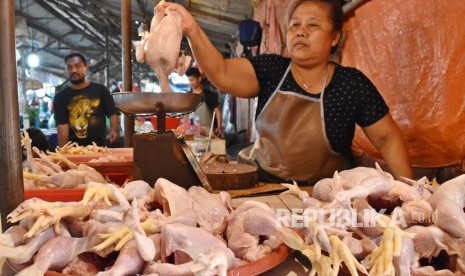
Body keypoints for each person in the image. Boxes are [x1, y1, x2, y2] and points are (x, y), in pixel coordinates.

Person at [159, 0, 413, 184]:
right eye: (294, 25)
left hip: (322, 196)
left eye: (312, 25)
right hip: (262, 185)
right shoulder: (272, 69)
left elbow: (387, 139)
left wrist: (408, 193)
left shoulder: (351, 85)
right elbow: (222, 72)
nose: (301, 31)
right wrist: (191, 28)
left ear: (334, 37)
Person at [53, 53, 120, 147]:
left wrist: (114, 130)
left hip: (99, 149)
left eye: (78, 66)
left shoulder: (101, 90)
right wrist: (63, 152)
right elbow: (62, 126)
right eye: (69, 67)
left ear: (86, 68)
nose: (74, 70)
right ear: (66, 70)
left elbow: (112, 112)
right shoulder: (60, 97)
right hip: (74, 151)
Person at [185, 67, 224, 138]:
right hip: (192, 134)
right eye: (189, 80)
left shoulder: (209, 94)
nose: (191, 83)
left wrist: (219, 127)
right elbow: (186, 114)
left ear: (199, 79)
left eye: (192, 80)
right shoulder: (188, 96)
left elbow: (218, 111)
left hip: (208, 133)